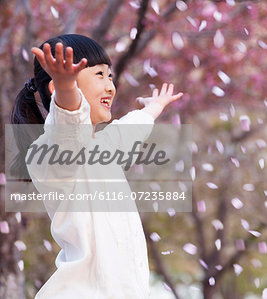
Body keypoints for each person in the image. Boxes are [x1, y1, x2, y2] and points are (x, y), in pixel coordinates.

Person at [10, 34, 184, 298]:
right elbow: (68, 126)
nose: (110, 86)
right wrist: (67, 88)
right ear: (56, 89)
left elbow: (129, 129)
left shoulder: (103, 148)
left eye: (110, 76)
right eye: (99, 75)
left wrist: (153, 108)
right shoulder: (50, 152)